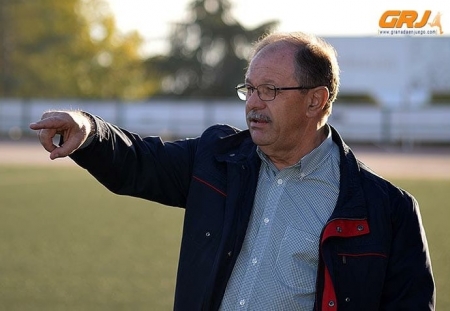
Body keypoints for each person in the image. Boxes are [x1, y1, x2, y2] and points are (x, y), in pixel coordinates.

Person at [30, 32, 435, 310]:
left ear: (316, 101)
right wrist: (90, 131)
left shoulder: (388, 211)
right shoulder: (217, 160)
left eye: (270, 90)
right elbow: (139, 162)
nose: (253, 103)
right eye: (249, 88)